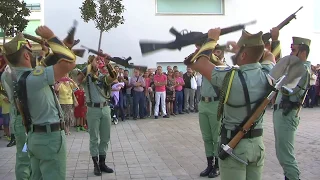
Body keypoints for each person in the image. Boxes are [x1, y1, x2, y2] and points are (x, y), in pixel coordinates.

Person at [185, 28, 274, 180]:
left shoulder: (230, 77)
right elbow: (269, 55)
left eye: (238, 51)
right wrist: (252, 47)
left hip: (234, 145)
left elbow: (200, 62)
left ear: (244, 55)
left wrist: (211, 40)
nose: (235, 53)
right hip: (257, 145)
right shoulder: (269, 72)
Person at [3, 26, 75, 179]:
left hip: (33, 137)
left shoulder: (13, 76)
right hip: (50, 139)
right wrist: (51, 36)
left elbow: (43, 66)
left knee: (31, 168)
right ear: (27, 57)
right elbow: (69, 62)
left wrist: (56, 47)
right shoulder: (34, 78)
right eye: (30, 52)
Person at [273, 36, 311, 180]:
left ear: (302, 53)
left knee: (286, 155)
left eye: (293, 50)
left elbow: (283, 85)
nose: (290, 53)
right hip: (282, 113)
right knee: (282, 153)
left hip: (286, 114)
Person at [78, 54, 117, 176]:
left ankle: (102, 163)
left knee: (105, 138)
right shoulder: (86, 78)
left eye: (98, 61)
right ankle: (95, 165)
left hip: (105, 108)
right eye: (96, 61)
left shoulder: (102, 77)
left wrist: (108, 63)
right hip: (93, 109)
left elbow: (113, 77)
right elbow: (78, 79)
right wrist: (90, 65)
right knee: (94, 138)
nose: (98, 63)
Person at [192, 43, 225, 178]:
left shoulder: (222, 67)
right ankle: (209, 164)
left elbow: (215, 64)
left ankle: (217, 165)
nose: (215, 54)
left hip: (215, 104)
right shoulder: (206, 65)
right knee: (206, 137)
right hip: (203, 103)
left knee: (216, 137)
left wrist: (204, 50)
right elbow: (194, 63)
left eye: (217, 52)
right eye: (213, 52)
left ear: (221, 53)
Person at [1, 65, 31, 179]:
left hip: (22, 120)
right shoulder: (11, 72)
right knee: (24, 156)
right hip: (22, 121)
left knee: (27, 154)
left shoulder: (10, 71)